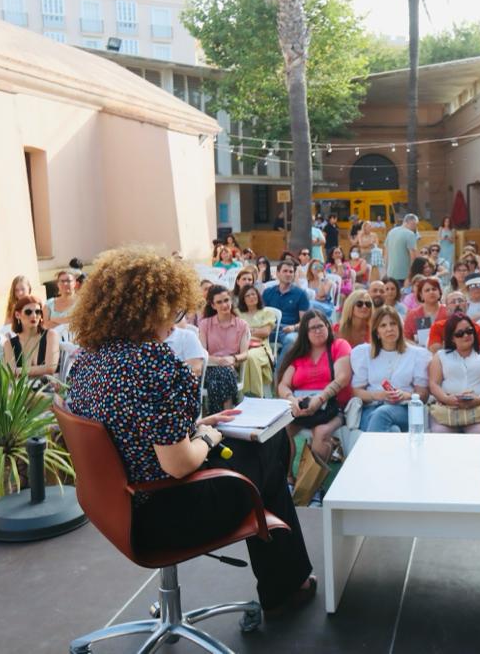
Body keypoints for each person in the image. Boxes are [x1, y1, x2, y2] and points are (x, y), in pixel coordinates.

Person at [66, 247, 315, 616]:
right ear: (149, 309)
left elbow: (129, 432)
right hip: (168, 514)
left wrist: (196, 426)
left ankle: (286, 583)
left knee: (261, 454)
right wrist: (209, 437)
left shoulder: (86, 362)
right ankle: (286, 587)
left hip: (117, 508)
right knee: (272, 446)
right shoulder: (155, 363)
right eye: (173, 309)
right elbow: (180, 465)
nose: (176, 320)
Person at [278, 310, 352, 507]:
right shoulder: (299, 354)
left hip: (331, 407)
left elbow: (342, 378)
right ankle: (289, 479)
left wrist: (320, 398)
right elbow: (283, 385)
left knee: (321, 433)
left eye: (321, 326)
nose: (318, 331)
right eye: (312, 328)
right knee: (281, 431)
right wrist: (292, 399)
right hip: (301, 406)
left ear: (328, 326)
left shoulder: (338, 346)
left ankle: (314, 487)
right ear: (305, 332)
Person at [351, 307, 430, 432]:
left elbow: (423, 395)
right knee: (393, 430)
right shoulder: (364, 353)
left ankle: (366, 452)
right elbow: (356, 391)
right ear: (377, 332)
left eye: (393, 324)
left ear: (399, 327)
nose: (389, 329)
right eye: (383, 325)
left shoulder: (417, 354)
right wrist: (379, 396)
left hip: (404, 408)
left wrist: (405, 395)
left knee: (382, 414)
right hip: (372, 407)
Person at [428, 312, 480, 433]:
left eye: (469, 331)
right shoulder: (440, 356)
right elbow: (434, 384)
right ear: (452, 338)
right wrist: (446, 399)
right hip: (447, 408)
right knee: (441, 433)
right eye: (460, 333)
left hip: (477, 408)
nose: (466, 335)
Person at [199, 285, 250, 411]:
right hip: (210, 368)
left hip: (232, 368)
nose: (224, 305)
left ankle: (216, 416)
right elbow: (202, 353)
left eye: (226, 300)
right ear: (213, 305)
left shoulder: (241, 325)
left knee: (223, 374)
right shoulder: (205, 324)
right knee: (222, 373)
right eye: (219, 302)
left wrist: (233, 358)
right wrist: (218, 361)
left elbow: (245, 354)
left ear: (231, 301)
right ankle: (229, 410)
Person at [3, 295, 60, 385]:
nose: (34, 315)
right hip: (23, 393)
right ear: (18, 315)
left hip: (49, 389)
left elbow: (51, 367)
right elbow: (11, 372)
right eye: (28, 312)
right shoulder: (9, 343)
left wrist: (18, 370)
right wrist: (41, 369)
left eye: (38, 312)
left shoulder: (50, 335)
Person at [237, 284, 277, 396]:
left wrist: (247, 330)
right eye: (247, 295)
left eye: (253, 294)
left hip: (261, 347)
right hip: (241, 347)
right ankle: (247, 396)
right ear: (243, 299)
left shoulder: (267, 313)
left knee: (249, 357)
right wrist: (255, 330)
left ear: (258, 296)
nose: (251, 297)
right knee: (245, 356)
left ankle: (255, 396)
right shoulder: (238, 313)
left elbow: (265, 332)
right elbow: (236, 332)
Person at [262, 260, 310, 353]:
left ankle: (280, 368)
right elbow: (261, 314)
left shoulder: (300, 294)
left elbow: (305, 321)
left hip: (289, 330)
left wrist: (293, 327)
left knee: (291, 341)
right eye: (285, 271)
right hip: (270, 328)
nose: (288, 274)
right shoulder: (268, 292)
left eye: (291, 272)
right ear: (278, 274)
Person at [403, 277, 447, 345]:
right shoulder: (413, 314)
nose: (431, 292)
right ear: (421, 295)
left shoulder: (448, 312)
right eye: (427, 290)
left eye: (434, 289)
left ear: (440, 292)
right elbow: (406, 338)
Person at [385, 213, 420, 281]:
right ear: (411, 222)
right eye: (416, 225)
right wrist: (411, 274)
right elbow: (413, 256)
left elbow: (386, 253)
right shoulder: (410, 234)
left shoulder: (391, 232)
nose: (416, 227)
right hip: (404, 274)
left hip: (390, 273)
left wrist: (387, 270)